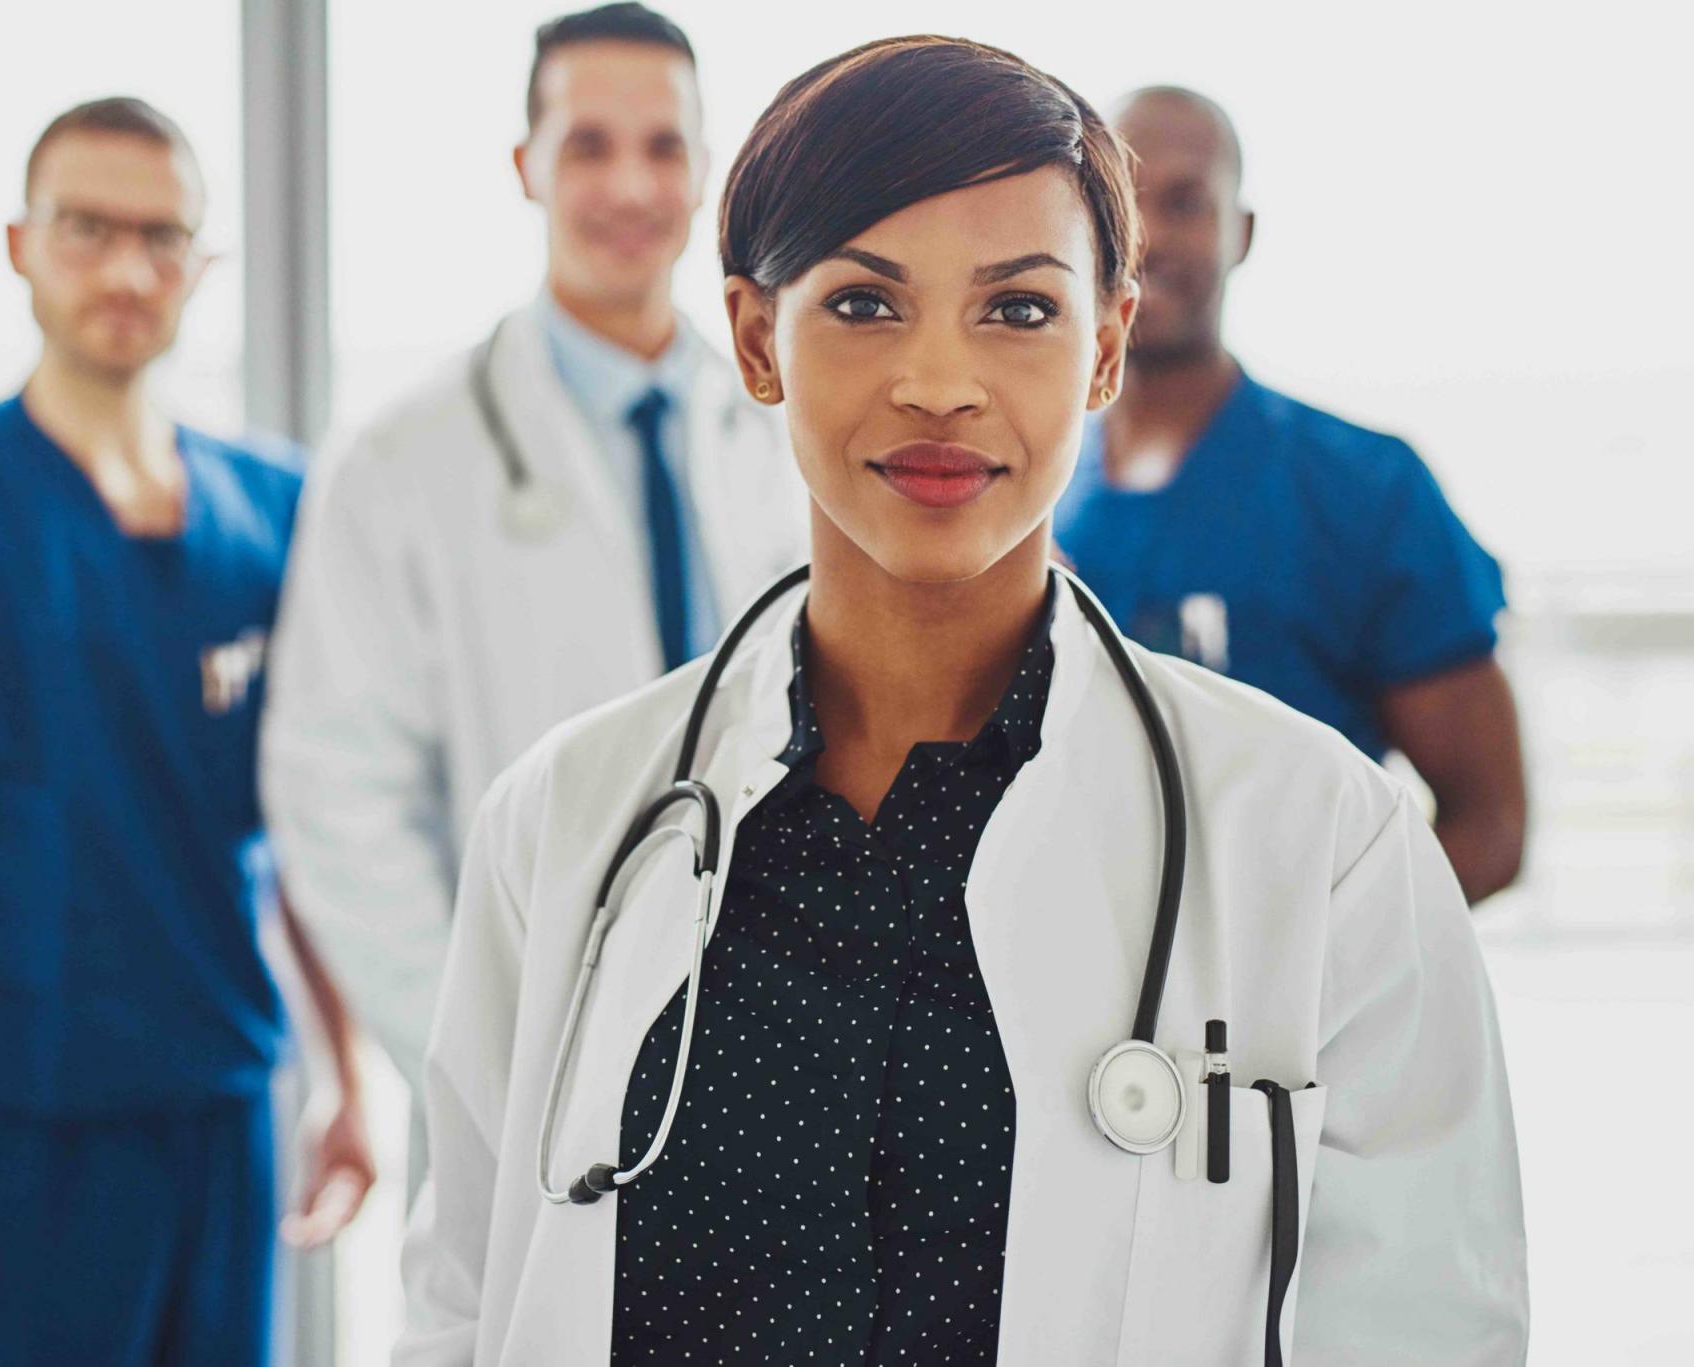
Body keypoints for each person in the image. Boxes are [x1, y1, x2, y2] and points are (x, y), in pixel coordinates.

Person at [397, 37, 1527, 1366]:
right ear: (759, 338)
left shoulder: (1326, 841)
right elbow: (461, 1310)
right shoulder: (563, 823)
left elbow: (1426, 1329)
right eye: (866, 306)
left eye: (1020, 308)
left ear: (1106, 344)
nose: (939, 381)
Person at [0, 98, 374, 1367]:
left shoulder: (276, 512)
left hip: (222, 1118)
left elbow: (311, 822)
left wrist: (348, 1077)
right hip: (11, 1143)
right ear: (19, 244)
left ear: (200, 265)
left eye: (162, 236)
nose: (124, 267)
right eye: (86, 227)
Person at [261, 1, 801, 1178]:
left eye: (661, 147)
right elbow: (335, 799)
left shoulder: (784, 431)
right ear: (525, 168)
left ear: (704, 170)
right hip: (530, 1071)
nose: (627, 184)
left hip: (787, 1042)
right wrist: (499, 1058)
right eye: (587, 145)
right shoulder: (402, 463)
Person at [1053, 86, 1526, 904]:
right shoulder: (1021, 494)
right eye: (1125, 203)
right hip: (1072, 1018)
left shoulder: (1367, 489)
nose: (1152, 236)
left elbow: (1491, 824)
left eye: (1186, 202)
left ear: (1242, 233)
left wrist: (1304, 975)